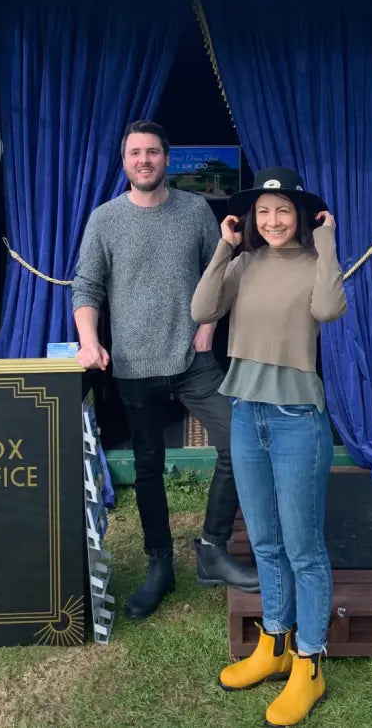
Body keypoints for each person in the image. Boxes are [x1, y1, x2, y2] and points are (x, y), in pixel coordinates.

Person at [72, 120, 259, 620]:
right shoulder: (105, 220)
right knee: (149, 466)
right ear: (124, 160)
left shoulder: (195, 210)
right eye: (135, 153)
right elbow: (86, 289)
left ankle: (213, 549)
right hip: (133, 364)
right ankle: (160, 564)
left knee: (238, 442)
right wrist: (89, 342)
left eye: (153, 152)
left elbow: (217, 273)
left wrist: (209, 327)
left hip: (195, 358)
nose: (145, 160)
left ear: (167, 159)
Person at [191, 167, 347, 728]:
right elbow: (202, 310)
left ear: (301, 216)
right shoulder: (245, 263)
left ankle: (310, 662)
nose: (273, 220)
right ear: (251, 218)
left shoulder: (315, 264)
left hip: (296, 418)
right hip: (245, 411)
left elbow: (328, 310)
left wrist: (327, 241)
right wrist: (223, 248)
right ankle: (274, 644)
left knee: (302, 546)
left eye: (283, 211)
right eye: (263, 212)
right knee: (264, 542)